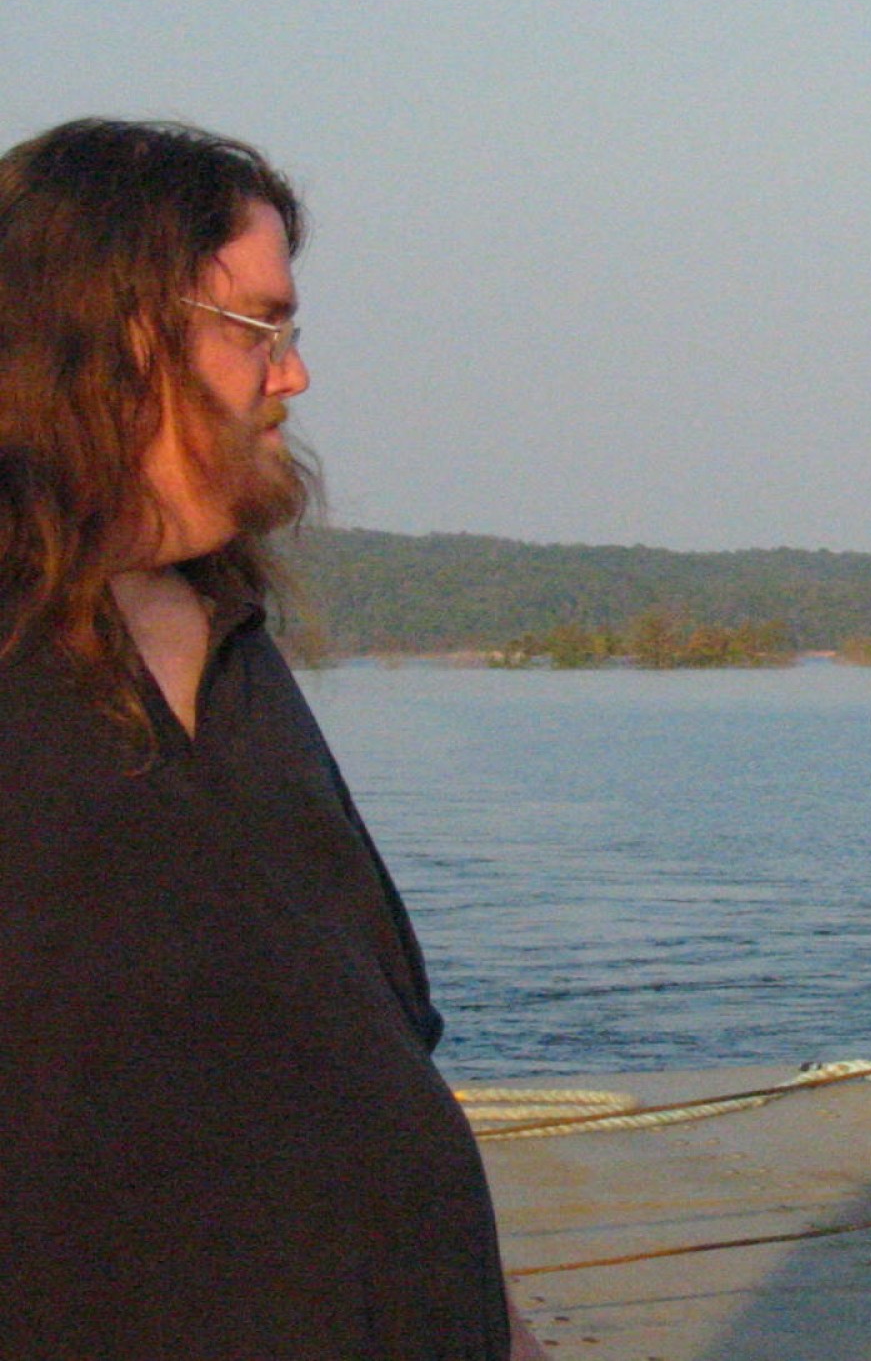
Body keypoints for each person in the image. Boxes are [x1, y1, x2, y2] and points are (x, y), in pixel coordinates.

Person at [0, 119, 547, 1359]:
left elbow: (374, 1030)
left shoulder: (228, 634)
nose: (290, 376)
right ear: (110, 334)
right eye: (257, 327)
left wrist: (499, 1326)